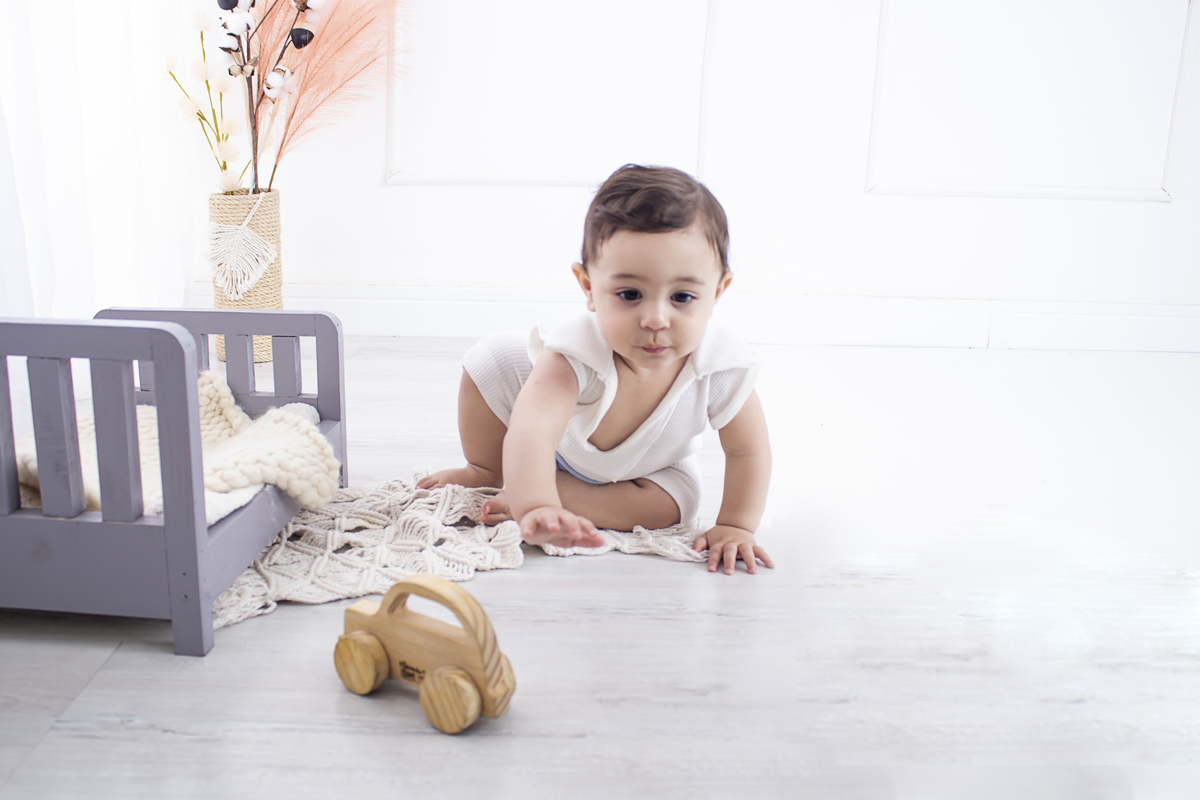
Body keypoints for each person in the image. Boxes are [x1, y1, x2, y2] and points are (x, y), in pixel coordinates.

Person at [419, 164, 773, 575]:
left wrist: (735, 524)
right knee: (494, 358)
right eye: (629, 294)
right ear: (588, 287)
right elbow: (534, 431)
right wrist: (538, 505)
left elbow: (748, 451)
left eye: (682, 297)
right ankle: (492, 470)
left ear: (717, 292)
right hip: (552, 447)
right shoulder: (574, 353)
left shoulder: (721, 366)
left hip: (648, 472)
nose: (656, 318)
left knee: (676, 504)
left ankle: (551, 493)